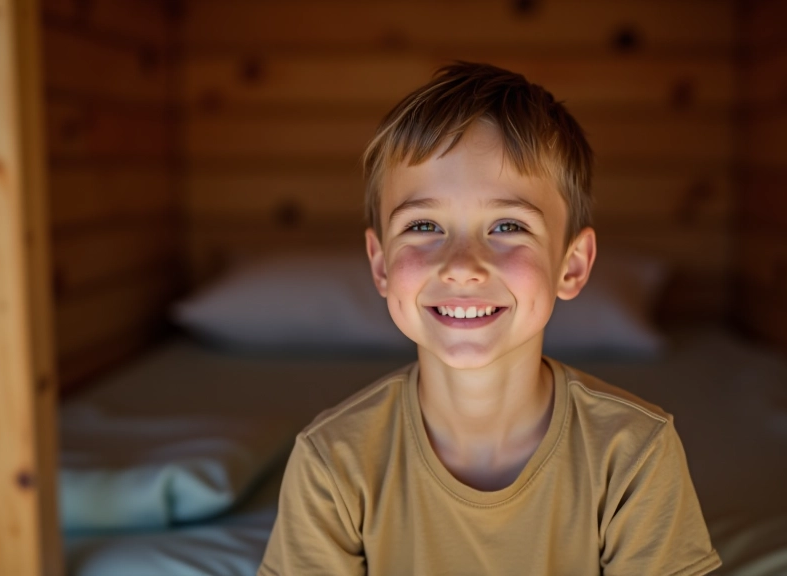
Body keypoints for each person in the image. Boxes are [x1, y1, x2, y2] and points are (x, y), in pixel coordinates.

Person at [258, 62, 720, 576]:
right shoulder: (332, 461)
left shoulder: (634, 455)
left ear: (572, 265)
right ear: (382, 264)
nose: (461, 266)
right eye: (425, 224)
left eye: (506, 225)